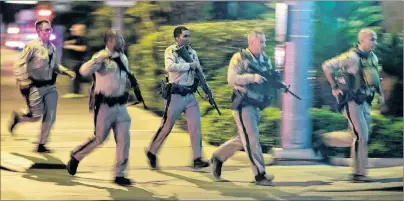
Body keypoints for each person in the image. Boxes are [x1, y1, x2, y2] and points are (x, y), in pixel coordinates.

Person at [66, 30, 134, 186]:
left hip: (121, 106)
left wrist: (129, 86)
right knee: (99, 139)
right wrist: (97, 61)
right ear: (110, 40)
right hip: (104, 106)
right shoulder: (101, 57)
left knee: (124, 140)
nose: (122, 41)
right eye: (119, 38)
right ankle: (76, 156)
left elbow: (124, 77)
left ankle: (119, 174)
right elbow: (83, 71)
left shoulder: (123, 57)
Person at [210, 30, 276, 186]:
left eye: (265, 41)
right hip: (243, 103)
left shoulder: (266, 60)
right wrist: (252, 78)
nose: (264, 45)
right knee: (252, 139)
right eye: (261, 42)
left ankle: (218, 156)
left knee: (243, 138)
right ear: (251, 42)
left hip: (256, 104)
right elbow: (231, 79)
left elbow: (269, 80)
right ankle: (260, 174)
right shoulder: (240, 58)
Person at [321, 28, 385, 183]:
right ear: (362, 40)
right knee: (361, 135)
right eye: (372, 39)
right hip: (351, 101)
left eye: (375, 39)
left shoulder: (373, 57)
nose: (375, 42)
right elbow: (327, 66)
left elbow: (375, 77)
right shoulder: (351, 57)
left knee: (359, 135)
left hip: (365, 101)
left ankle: (325, 140)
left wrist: (381, 94)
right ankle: (358, 174)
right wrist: (334, 86)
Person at [145, 26, 210, 170]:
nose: (188, 38)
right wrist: (188, 65)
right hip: (175, 95)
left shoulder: (192, 53)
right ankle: (152, 151)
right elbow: (170, 66)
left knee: (195, 126)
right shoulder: (171, 51)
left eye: (189, 36)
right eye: (185, 36)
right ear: (177, 38)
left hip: (190, 95)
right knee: (166, 127)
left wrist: (205, 90)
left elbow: (199, 73)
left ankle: (197, 158)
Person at [9, 20, 75, 153]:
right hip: (36, 86)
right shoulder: (32, 46)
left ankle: (41, 144)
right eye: (46, 30)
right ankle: (19, 117)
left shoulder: (52, 48)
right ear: (38, 31)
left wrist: (66, 71)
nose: (49, 32)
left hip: (51, 86)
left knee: (50, 116)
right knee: (36, 116)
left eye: (50, 29)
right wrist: (22, 79)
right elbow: (18, 64)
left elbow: (55, 66)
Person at [61, 23, 88, 98]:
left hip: (79, 61)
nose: (73, 30)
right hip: (73, 61)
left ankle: (75, 92)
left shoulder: (83, 38)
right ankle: (76, 92)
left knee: (75, 76)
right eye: (73, 29)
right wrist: (69, 43)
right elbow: (65, 43)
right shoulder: (74, 38)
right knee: (75, 76)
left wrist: (70, 46)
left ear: (80, 30)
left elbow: (82, 48)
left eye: (76, 29)